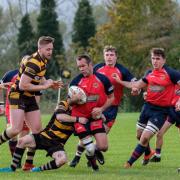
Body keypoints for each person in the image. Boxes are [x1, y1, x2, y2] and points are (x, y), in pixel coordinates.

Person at [0, 36, 63, 170]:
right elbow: (23, 85)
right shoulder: (34, 62)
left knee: (37, 131)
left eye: (51, 49)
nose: (50, 52)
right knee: (16, 129)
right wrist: (44, 87)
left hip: (28, 97)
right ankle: (18, 163)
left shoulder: (43, 61)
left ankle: (27, 164)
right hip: (17, 95)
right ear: (40, 49)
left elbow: (40, 78)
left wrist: (49, 83)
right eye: (48, 49)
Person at [69, 45, 137, 167]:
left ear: (116, 57)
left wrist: (136, 88)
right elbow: (88, 79)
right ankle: (77, 156)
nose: (109, 57)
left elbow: (134, 82)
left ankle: (93, 151)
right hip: (96, 106)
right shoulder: (97, 68)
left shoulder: (122, 70)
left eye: (112, 55)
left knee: (103, 134)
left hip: (112, 107)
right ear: (104, 56)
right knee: (87, 133)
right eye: (107, 55)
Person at [117, 48, 180, 168]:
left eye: (158, 59)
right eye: (153, 58)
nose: (155, 61)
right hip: (147, 108)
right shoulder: (149, 73)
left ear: (164, 60)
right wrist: (120, 81)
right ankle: (148, 154)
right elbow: (136, 85)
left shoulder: (171, 73)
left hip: (161, 111)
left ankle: (129, 163)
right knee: (139, 136)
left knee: (145, 137)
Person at [0, 100, 88, 172]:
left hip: (57, 144)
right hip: (44, 136)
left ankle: (37, 169)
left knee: (62, 160)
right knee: (21, 141)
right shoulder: (63, 103)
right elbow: (60, 116)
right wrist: (78, 119)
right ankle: (12, 168)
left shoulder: (81, 113)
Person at [69, 54, 114, 171]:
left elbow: (111, 98)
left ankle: (89, 154)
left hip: (95, 117)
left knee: (103, 147)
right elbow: (69, 102)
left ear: (90, 65)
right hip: (80, 119)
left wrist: (101, 109)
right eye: (79, 67)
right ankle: (94, 166)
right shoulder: (75, 82)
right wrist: (75, 99)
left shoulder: (103, 79)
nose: (81, 69)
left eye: (83, 66)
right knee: (90, 148)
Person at [150, 85, 180, 163]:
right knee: (159, 133)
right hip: (171, 112)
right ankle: (157, 156)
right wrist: (147, 89)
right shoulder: (170, 84)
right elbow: (157, 89)